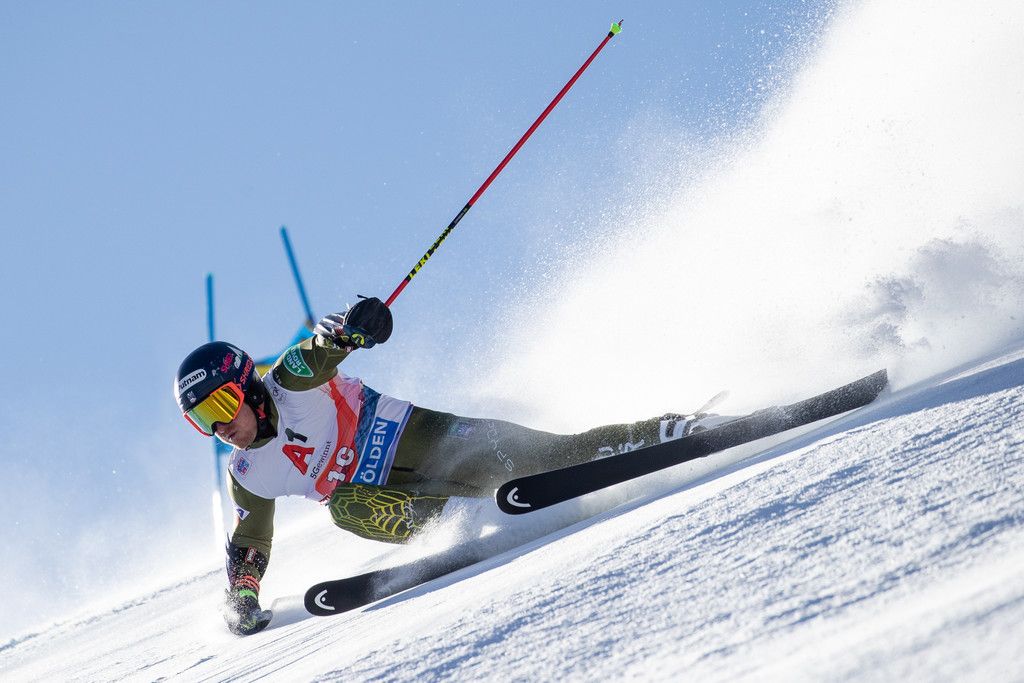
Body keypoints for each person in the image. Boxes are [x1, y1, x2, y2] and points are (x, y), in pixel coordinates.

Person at [174, 297, 713, 634]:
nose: (220, 428)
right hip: (400, 499)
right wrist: (242, 595)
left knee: (553, 456)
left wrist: (351, 329)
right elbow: (251, 542)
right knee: (344, 508)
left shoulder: (288, 381)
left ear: (246, 385)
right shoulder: (248, 475)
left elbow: (319, 350)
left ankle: (672, 430)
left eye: (221, 405)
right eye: (202, 420)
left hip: (426, 440)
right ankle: (466, 517)